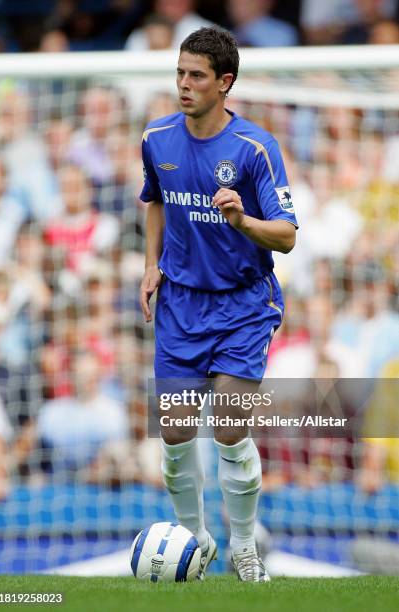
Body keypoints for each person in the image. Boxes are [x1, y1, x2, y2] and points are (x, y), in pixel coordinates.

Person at [139, 27, 297, 582]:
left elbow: (286, 236)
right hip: (181, 305)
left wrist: (243, 221)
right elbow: (154, 200)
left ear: (224, 83)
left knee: (229, 427)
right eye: (180, 73)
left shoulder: (255, 148)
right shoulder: (156, 138)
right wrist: (149, 264)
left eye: (196, 75)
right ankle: (195, 544)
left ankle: (246, 547)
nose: (183, 84)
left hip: (242, 305)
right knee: (177, 434)